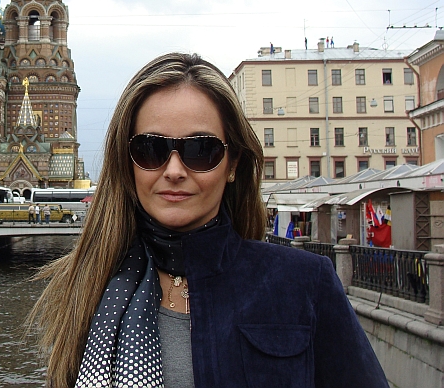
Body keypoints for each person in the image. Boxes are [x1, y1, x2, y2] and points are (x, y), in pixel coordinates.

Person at [28, 53, 387, 388]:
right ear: (128, 162)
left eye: (201, 150)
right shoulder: (83, 283)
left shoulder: (305, 284)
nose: (173, 171)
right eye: (150, 149)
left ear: (232, 165)